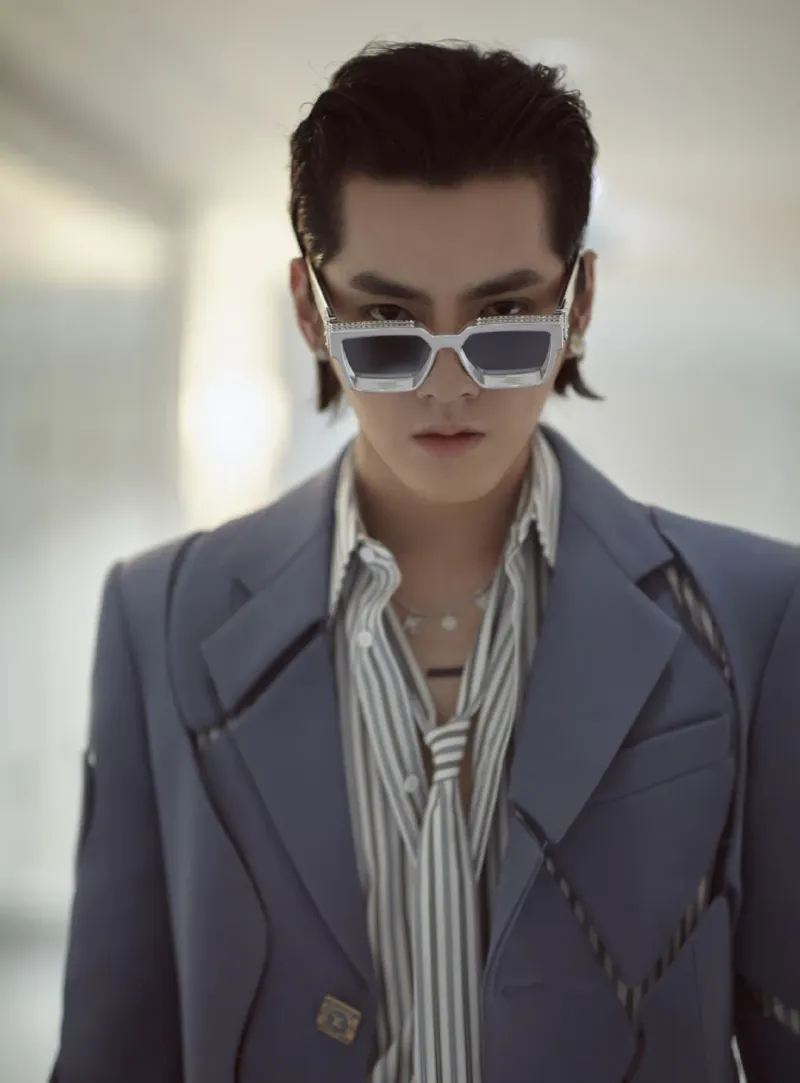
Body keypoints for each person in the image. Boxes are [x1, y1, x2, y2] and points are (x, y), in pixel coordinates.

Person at [52, 40, 800, 1083]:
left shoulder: (752, 614)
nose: (449, 388)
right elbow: (114, 1049)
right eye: (387, 327)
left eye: (503, 323)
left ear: (578, 303)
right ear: (311, 311)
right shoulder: (160, 617)